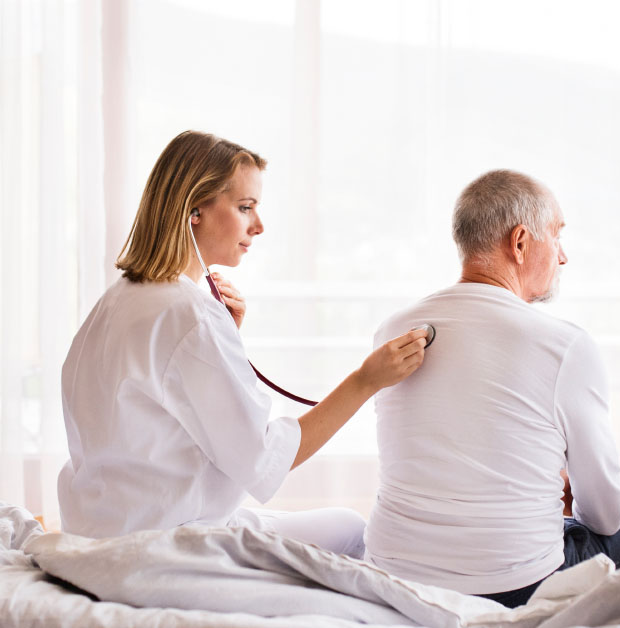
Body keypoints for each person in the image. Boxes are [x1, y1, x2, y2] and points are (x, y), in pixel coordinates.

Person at [57, 130, 428, 558]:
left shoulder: (119, 299)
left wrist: (224, 337)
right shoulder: (188, 315)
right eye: (245, 207)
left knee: (338, 525)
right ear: (193, 208)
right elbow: (264, 460)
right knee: (349, 532)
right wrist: (366, 380)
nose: (259, 225)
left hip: (100, 532)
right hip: (161, 546)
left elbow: (171, 406)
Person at [363, 169, 620, 607]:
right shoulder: (564, 346)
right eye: (556, 237)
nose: (563, 257)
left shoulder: (393, 330)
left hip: (393, 572)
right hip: (512, 585)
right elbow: (605, 515)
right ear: (520, 243)